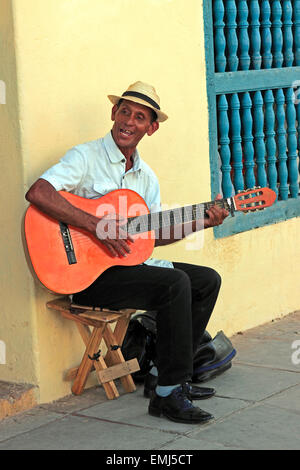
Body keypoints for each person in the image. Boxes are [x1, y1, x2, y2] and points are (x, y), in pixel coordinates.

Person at [25, 81, 229, 424]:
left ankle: (162, 374)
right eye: (124, 111)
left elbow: (152, 237)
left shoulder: (146, 178)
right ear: (112, 114)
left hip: (132, 267)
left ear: (151, 129)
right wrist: (93, 225)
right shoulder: (86, 157)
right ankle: (167, 394)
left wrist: (202, 222)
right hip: (88, 276)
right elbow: (39, 192)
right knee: (174, 283)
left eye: (139, 117)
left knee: (206, 280)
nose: (128, 121)